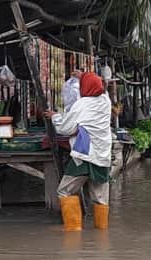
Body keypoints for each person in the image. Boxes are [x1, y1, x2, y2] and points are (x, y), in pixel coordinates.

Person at [45, 72, 112, 231]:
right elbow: (101, 87)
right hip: (102, 156)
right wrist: (84, 76)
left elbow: (65, 128)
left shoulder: (82, 104)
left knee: (65, 191)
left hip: (85, 154)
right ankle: (101, 233)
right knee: (100, 198)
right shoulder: (106, 101)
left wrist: (55, 116)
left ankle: (73, 233)